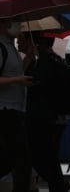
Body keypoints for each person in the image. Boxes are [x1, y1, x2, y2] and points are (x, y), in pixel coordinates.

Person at [18, 32, 70, 192]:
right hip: (50, 117)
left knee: (36, 156)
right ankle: (57, 184)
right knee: (48, 157)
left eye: (21, 39)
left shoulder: (40, 62)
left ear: (31, 40)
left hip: (38, 118)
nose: (18, 43)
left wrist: (27, 62)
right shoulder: (53, 58)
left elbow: (29, 84)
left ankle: (58, 185)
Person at [0, 18, 35, 192]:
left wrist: (28, 58)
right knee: (21, 161)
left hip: (16, 109)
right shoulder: (0, 47)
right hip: (5, 111)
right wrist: (17, 80)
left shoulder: (10, 46)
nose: (18, 26)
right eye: (14, 22)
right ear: (4, 25)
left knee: (16, 160)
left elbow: (15, 72)